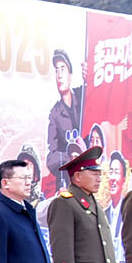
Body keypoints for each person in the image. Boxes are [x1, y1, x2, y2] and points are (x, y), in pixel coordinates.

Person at [47, 146, 119, 263]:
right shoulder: (64, 204)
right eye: (94, 174)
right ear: (78, 176)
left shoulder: (95, 203)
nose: (99, 179)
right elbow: (63, 254)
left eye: (100, 174)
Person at [45, 49, 83, 192]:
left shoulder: (82, 97)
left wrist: (89, 75)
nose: (59, 75)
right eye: (56, 70)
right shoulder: (55, 113)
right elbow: (51, 159)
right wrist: (71, 157)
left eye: (63, 69)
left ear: (70, 74)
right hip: (68, 183)